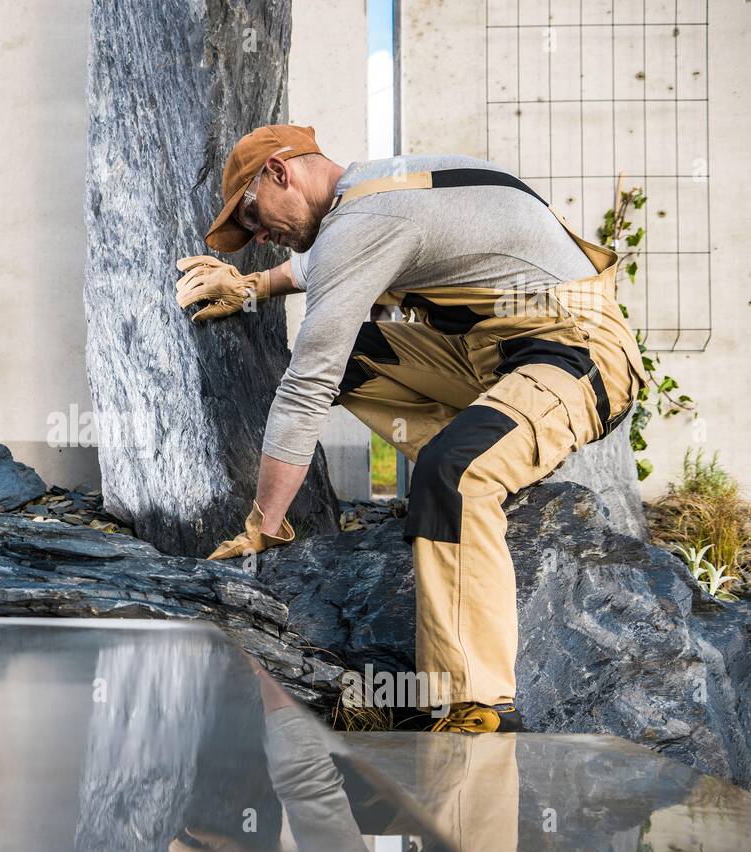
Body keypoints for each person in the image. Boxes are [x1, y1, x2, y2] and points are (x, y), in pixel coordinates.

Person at [177, 125, 644, 734]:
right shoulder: (371, 192)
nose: (260, 237)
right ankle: (471, 458)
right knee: (357, 354)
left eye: (253, 217)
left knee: (455, 474)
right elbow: (325, 266)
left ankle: (476, 706)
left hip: (579, 354)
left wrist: (264, 526)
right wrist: (253, 285)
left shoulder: (365, 219)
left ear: (280, 171)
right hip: (489, 356)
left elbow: (305, 387)